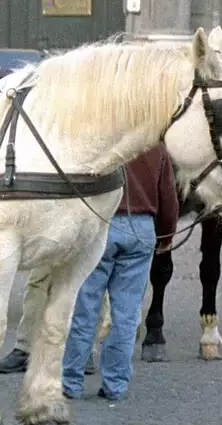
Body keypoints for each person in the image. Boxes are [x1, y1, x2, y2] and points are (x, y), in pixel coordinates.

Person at [61, 144, 179, 401]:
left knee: (86, 308)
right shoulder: (154, 146)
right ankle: (116, 384)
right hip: (143, 228)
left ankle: (71, 381)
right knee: (127, 314)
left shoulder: (105, 136)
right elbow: (168, 193)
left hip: (102, 223)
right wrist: (166, 234)